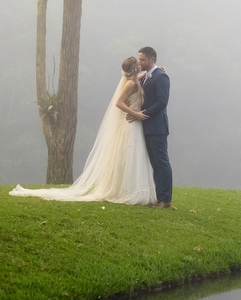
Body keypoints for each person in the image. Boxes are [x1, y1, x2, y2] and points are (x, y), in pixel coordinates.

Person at [9, 57, 156, 205]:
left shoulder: (133, 80)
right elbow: (119, 102)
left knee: (134, 153)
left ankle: (132, 188)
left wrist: (156, 70)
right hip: (131, 122)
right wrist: (135, 113)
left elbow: (139, 76)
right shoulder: (130, 83)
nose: (141, 64)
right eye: (139, 63)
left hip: (135, 123)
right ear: (134, 68)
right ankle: (128, 190)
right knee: (130, 152)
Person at [125, 46, 173, 208]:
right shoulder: (146, 76)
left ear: (152, 59)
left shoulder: (161, 77)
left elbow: (162, 102)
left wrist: (142, 114)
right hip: (146, 127)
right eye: (139, 59)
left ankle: (165, 199)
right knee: (154, 163)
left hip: (157, 127)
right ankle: (158, 196)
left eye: (143, 59)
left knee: (161, 162)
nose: (140, 62)